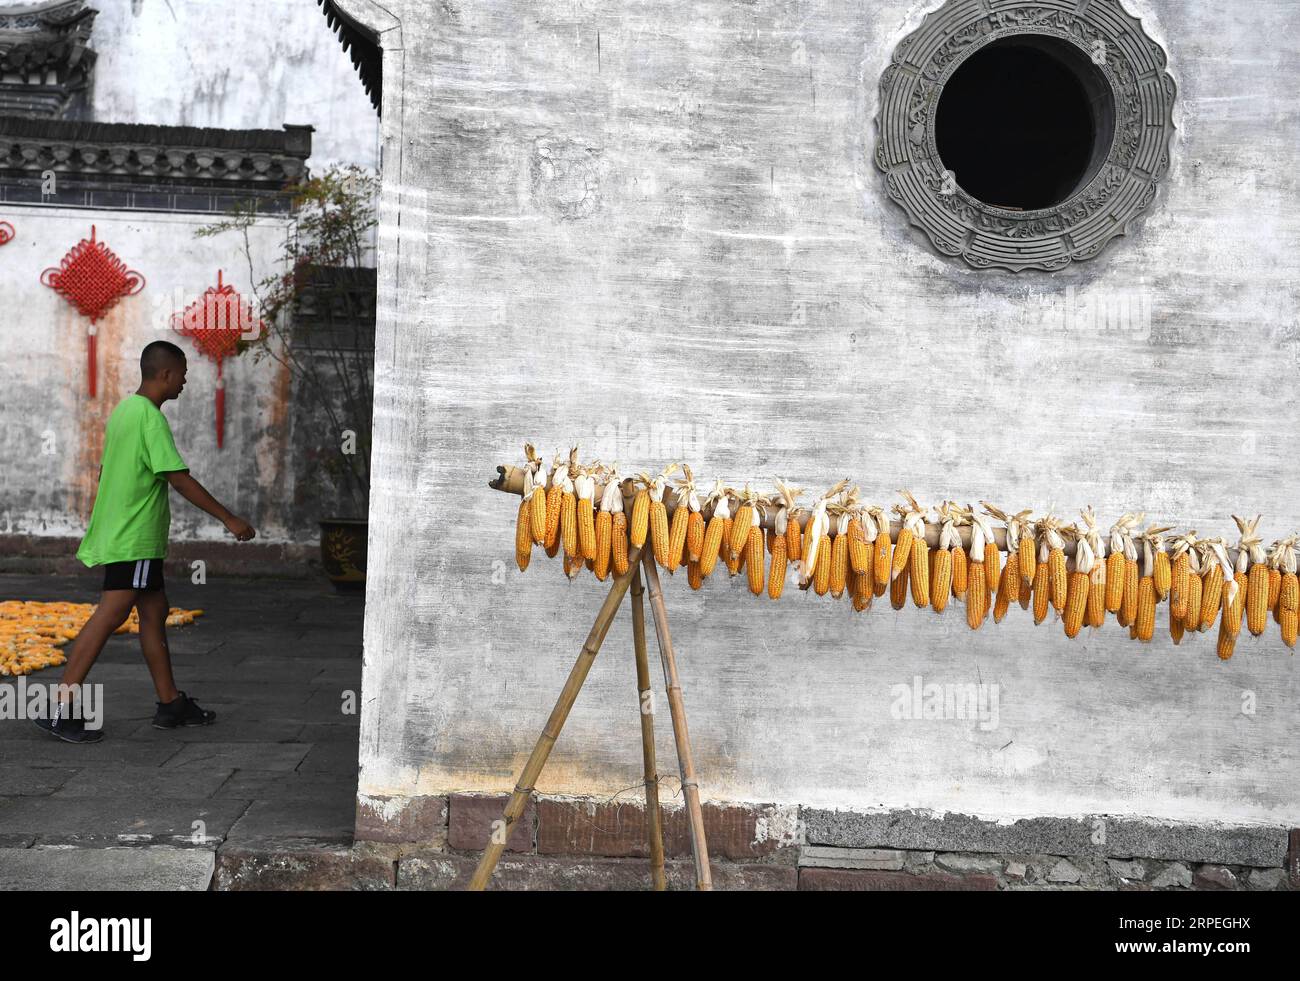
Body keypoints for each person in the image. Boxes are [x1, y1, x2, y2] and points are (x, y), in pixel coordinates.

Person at [35, 340, 256, 743]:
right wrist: (229, 518)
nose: (186, 382)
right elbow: (178, 477)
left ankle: (171, 703)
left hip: (130, 536)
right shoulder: (150, 418)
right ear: (166, 374)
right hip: (135, 539)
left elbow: (110, 472)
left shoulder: (124, 410)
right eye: (184, 375)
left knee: (155, 611)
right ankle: (60, 707)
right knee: (111, 613)